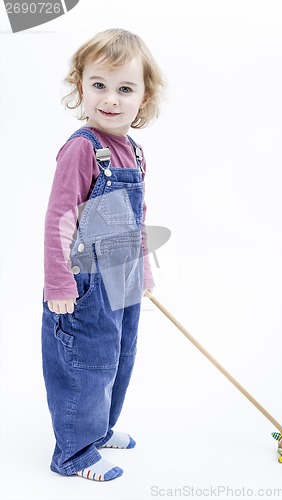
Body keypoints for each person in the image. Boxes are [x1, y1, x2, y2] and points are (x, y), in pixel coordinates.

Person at [41, 28, 164, 482]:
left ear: (143, 98)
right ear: (81, 88)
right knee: (87, 362)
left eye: (125, 88)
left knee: (119, 355)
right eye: (99, 85)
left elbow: (135, 218)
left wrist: (142, 271)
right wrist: (59, 284)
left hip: (122, 274)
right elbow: (60, 219)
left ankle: (101, 427)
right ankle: (74, 453)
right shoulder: (82, 150)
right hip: (84, 284)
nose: (110, 99)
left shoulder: (133, 151)